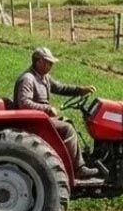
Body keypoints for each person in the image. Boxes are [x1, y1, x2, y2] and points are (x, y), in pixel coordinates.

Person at [13, 47, 97, 176]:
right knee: (67, 128)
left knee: (69, 123)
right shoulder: (28, 79)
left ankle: (78, 161)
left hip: (42, 119)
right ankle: (78, 169)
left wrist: (80, 90)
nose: (51, 65)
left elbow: (60, 88)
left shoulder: (44, 77)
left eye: (51, 63)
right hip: (33, 122)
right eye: (48, 62)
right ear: (39, 61)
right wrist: (47, 109)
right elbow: (24, 103)